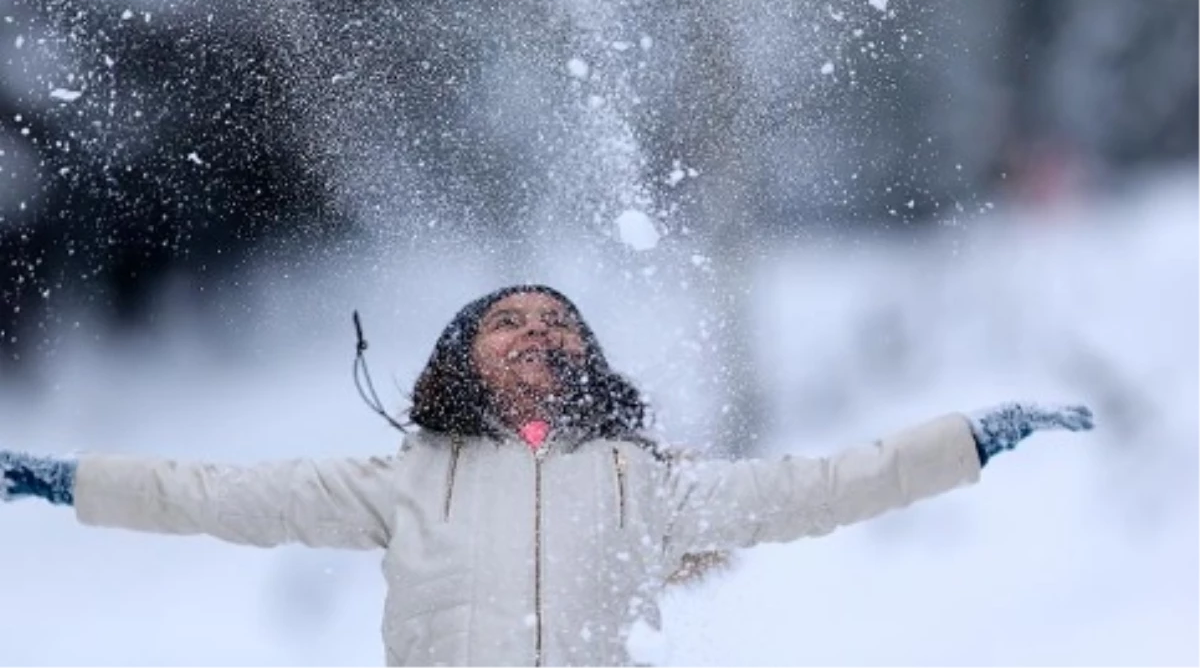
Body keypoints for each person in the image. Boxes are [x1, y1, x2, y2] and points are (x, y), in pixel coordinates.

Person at [0, 284, 1094, 667]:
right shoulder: (403, 481)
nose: (538, 331)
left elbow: (820, 485)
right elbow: (215, 492)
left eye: (560, 322)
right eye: (509, 321)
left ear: (588, 359)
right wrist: (66, 480)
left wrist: (971, 439)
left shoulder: (645, 485)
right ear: (457, 358)